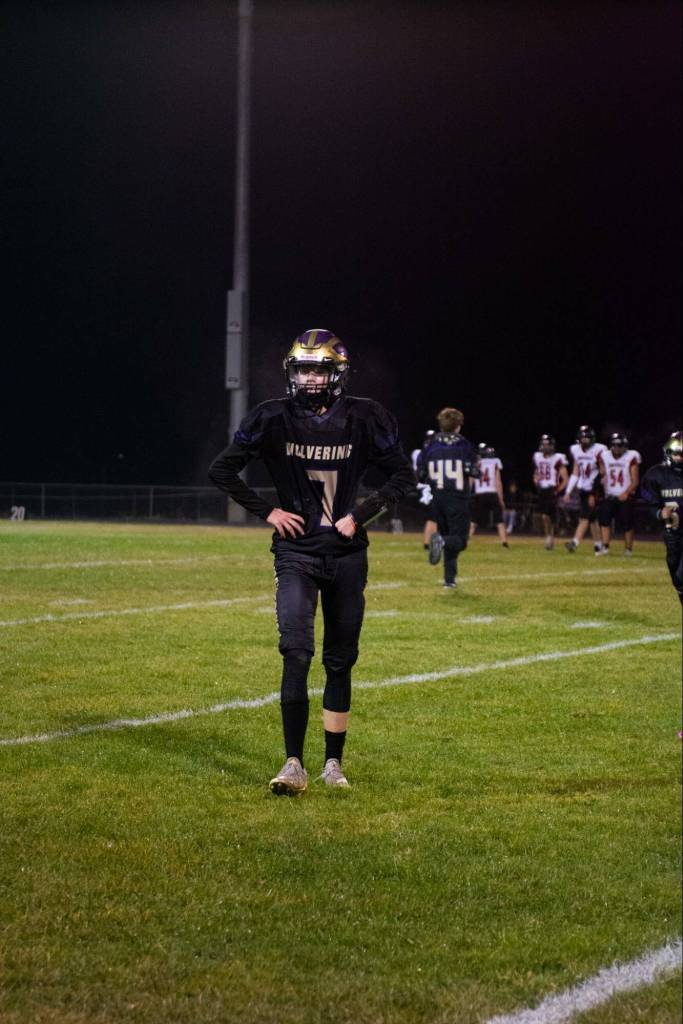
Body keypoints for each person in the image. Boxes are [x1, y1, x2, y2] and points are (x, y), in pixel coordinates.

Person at [208, 328, 414, 795]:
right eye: (302, 369)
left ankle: (333, 764)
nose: (309, 379)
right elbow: (221, 469)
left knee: (339, 660)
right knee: (296, 651)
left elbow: (403, 475)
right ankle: (293, 764)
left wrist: (360, 514)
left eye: (318, 370)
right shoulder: (272, 417)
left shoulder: (365, 416)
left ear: (338, 373)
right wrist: (268, 512)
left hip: (345, 555)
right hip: (297, 552)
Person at [416, 407, 479, 589]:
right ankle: (442, 543)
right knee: (460, 540)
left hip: (438, 499)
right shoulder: (464, 446)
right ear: (458, 426)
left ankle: (449, 581)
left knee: (448, 537)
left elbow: (421, 475)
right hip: (458, 499)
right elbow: (474, 471)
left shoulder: (430, 446)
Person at [640, 431, 683, 603]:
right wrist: (659, 513)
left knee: (681, 576)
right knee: (677, 580)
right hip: (672, 534)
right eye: (677, 454)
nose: (680, 458)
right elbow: (649, 499)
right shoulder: (656, 474)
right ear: (668, 452)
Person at [563, 425, 607, 555]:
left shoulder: (599, 450)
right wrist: (568, 491)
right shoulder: (576, 450)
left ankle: (574, 543)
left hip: (594, 487)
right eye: (583, 437)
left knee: (584, 517)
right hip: (583, 488)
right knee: (592, 519)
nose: (585, 440)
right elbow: (575, 472)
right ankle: (599, 546)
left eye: (587, 437)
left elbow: (602, 472)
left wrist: (594, 492)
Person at [596, 432, 641, 556]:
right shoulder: (604, 456)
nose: (616, 448)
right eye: (614, 445)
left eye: (619, 445)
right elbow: (601, 468)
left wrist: (626, 493)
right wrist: (603, 475)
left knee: (627, 524)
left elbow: (635, 480)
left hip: (626, 495)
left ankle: (628, 550)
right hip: (610, 494)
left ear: (624, 446)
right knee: (604, 521)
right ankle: (605, 547)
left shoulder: (631, 456)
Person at [532, 434, 568, 549]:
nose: (545, 446)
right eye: (543, 444)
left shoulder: (558, 458)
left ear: (552, 446)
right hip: (542, 490)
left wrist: (557, 491)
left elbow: (565, 479)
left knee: (546, 516)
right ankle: (549, 536)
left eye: (547, 444)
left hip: (552, 489)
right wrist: (535, 479)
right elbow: (536, 472)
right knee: (545, 516)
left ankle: (549, 537)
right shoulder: (537, 456)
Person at [469, 443, 508, 547]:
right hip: (492, 492)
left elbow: (471, 480)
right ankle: (504, 542)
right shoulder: (495, 462)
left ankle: (466, 541)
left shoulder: (475, 463)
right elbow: (498, 482)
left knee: (473, 520)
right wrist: (501, 499)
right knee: (499, 520)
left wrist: (467, 493)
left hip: (479, 494)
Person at [411, 430, 437, 550]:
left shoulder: (419, 452)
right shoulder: (434, 451)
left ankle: (429, 543)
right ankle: (430, 542)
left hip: (423, 486)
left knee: (433, 516)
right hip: (429, 486)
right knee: (434, 516)